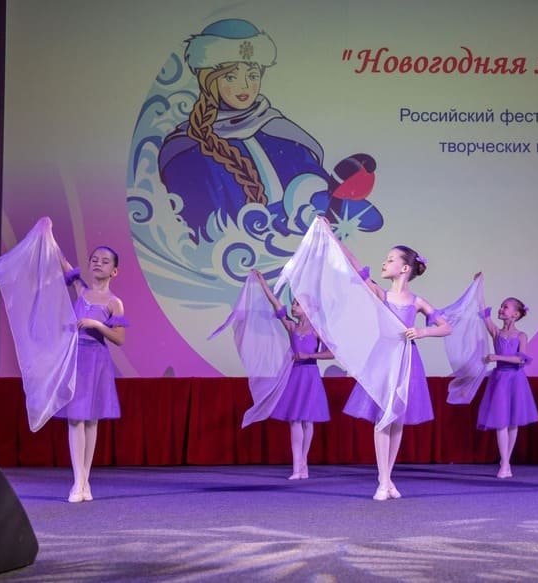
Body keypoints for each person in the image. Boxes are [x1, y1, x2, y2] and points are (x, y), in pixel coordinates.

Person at [158, 18, 381, 248]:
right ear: (208, 81)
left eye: (252, 75)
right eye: (231, 77)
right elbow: (201, 234)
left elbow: (327, 202)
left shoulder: (283, 135)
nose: (245, 86)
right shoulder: (186, 153)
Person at [337, 237, 452, 500]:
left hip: (406, 361)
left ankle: (387, 479)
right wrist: (333, 238)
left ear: (405, 269)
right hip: (382, 361)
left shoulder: (417, 302)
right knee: (383, 417)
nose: (384, 263)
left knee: (397, 418)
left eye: (390, 260)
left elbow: (446, 327)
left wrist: (422, 331)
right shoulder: (382, 294)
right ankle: (383, 481)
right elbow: (355, 266)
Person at [55, 247, 127, 503]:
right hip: (77, 359)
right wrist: (47, 233)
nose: (98, 263)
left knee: (91, 420)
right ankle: (78, 482)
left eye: (105, 261)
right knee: (75, 419)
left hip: (97, 360)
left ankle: (84, 480)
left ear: (114, 271)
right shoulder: (81, 289)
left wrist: (96, 324)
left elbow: (119, 338)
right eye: (94, 260)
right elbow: (64, 263)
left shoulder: (114, 302)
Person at [251, 269, 333, 479]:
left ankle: (303, 463)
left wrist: (308, 354)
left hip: (310, 375)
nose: (293, 306)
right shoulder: (291, 327)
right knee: (295, 420)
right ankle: (297, 467)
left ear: (307, 308)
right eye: (294, 303)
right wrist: (263, 284)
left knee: (308, 420)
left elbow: (331, 353)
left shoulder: (317, 330)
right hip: (294, 376)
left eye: (297, 303)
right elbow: (276, 304)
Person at [473, 274, 538, 478]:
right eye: (501, 306)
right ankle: (505, 463)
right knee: (500, 421)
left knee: (513, 422)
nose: (501, 309)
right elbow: (482, 310)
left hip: (516, 380)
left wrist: (496, 357)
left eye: (505, 307)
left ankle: (506, 462)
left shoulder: (521, 336)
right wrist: (478, 286)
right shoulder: (496, 332)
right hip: (500, 380)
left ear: (516, 314)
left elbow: (521, 359)